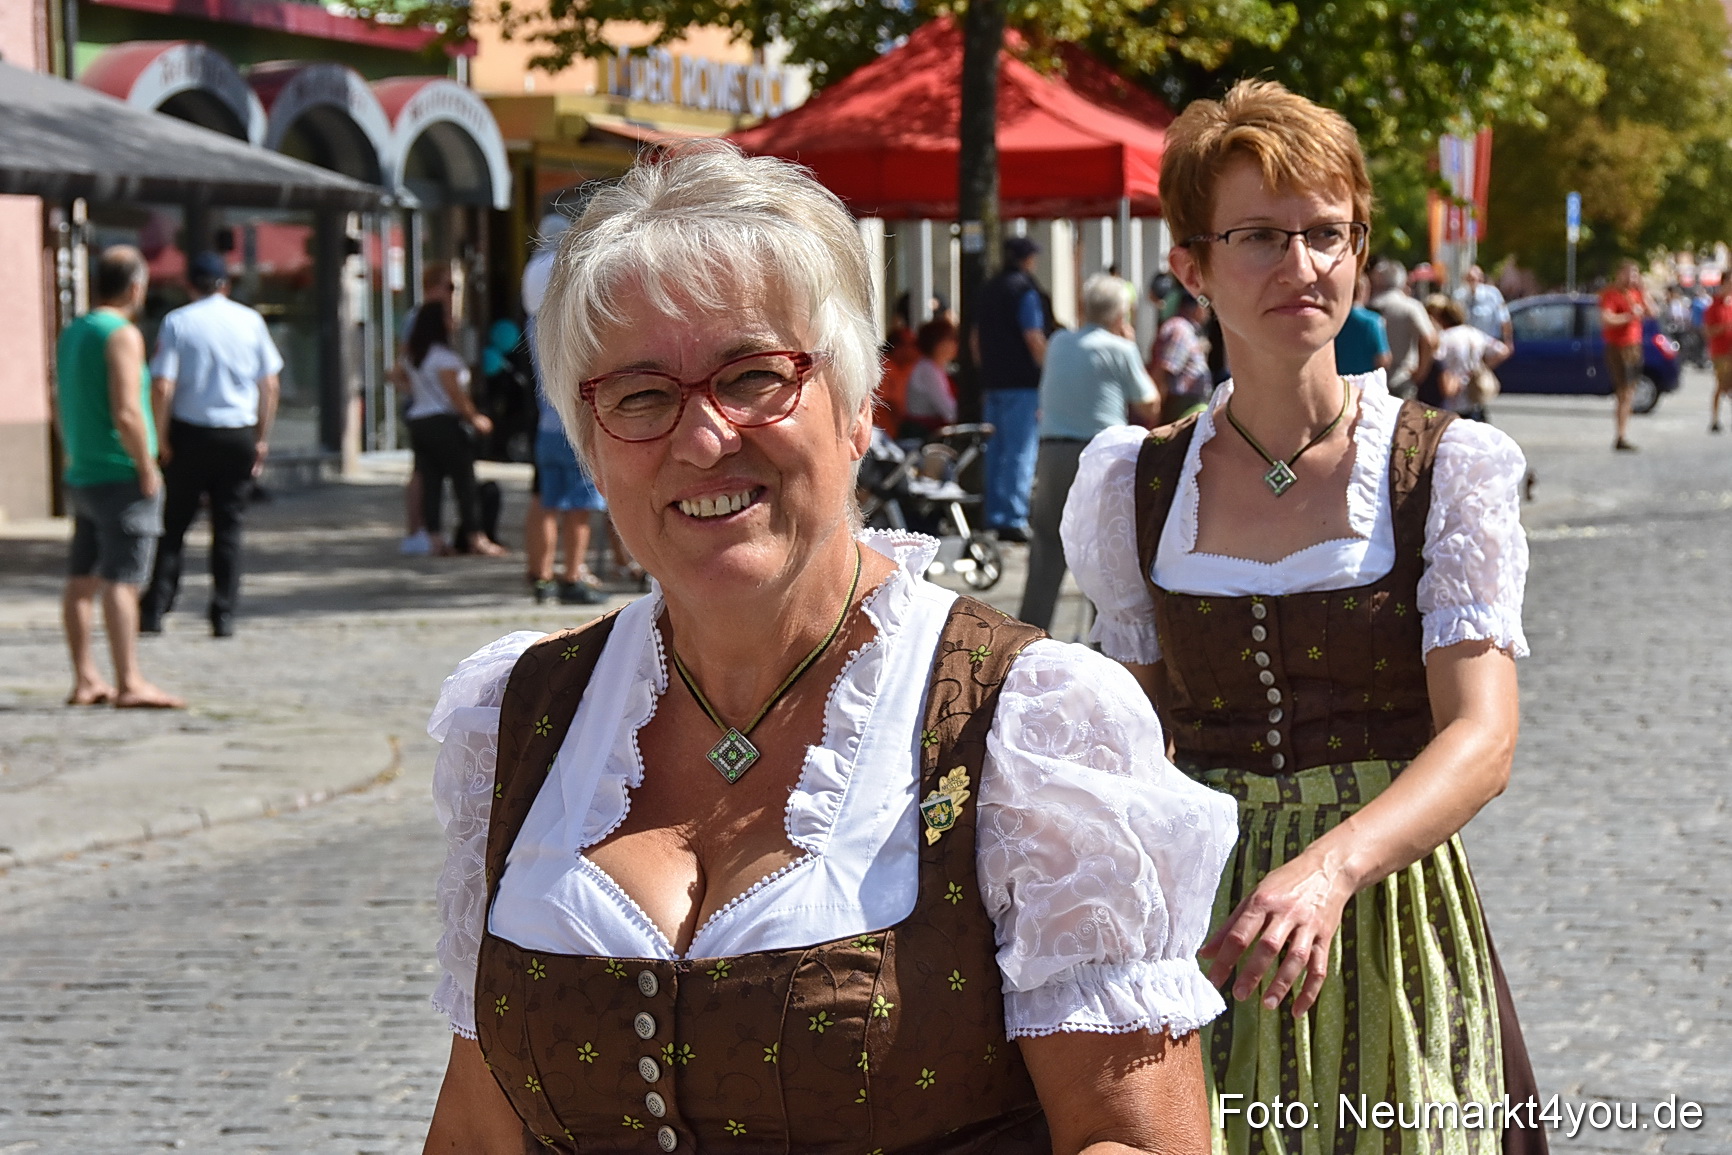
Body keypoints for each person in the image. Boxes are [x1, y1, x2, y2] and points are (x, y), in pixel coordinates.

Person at [420, 142, 1238, 1155]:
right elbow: (477, 1126)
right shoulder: (516, 717)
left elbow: (1132, 1137)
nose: (703, 438)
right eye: (638, 395)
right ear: (589, 450)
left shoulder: (1030, 723)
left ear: (857, 411)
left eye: (754, 376)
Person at [1061, 80, 1547, 1155]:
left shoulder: (1442, 467)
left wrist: (1329, 868)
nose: (1303, 266)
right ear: (1191, 267)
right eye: (1260, 237)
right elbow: (1132, 751)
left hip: (1386, 910)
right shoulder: (1132, 486)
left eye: (1327, 234)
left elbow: (1482, 735)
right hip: (1212, 935)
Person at [54, 246, 182, 709]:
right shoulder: (122, 334)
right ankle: (130, 680)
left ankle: (86, 677)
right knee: (123, 580)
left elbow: (58, 400)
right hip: (120, 469)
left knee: (81, 579)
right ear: (135, 286)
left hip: (83, 469)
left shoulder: (74, 331)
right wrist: (147, 465)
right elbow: (128, 409)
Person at [137, 252, 282, 638]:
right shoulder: (250, 321)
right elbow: (269, 383)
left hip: (190, 433)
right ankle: (224, 613)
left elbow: (163, 384)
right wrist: (261, 438)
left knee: (174, 526)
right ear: (226, 285)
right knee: (229, 526)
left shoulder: (177, 322)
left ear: (189, 285)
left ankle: (155, 609)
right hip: (236, 431)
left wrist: (160, 436)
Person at [1018, 273, 1157, 632]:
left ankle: (1030, 634)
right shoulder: (1119, 349)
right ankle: (1107, 639)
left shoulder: (1061, 342)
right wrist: (1129, 346)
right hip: (1100, 455)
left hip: (1053, 453)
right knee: (1107, 550)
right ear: (1119, 315)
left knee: (1047, 545)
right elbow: (1149, 403)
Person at [400, 301, 505, 558]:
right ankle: (475, 536)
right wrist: (474, 418)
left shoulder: (414, 355)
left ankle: (434, 537)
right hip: (443, 423)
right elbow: (455, 394)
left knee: (431, 481)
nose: (453, 322)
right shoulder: (443, 357)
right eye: (449, 316)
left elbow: (395, 375)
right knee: (464, 481)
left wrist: (415, 392)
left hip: (419, 420)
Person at [973, 235, 1048, 543]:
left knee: (996, 451)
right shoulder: (1026, 291)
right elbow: (1033, 336)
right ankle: (1013, 518)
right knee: (1020, 451)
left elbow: (975, 340)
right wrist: (1047, 371)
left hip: (994, 383)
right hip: (1023, 383)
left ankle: (994, 514)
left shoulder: (988, 290)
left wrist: (986, 372)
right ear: (1028, 259)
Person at [399, 265, 455, 556]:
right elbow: (401, 363)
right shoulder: (420, 318)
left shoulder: (439, 317)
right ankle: (417, 528)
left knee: (426, 471)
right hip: (428, 410)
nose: (451, 294)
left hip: (427, 407)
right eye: (449, 287)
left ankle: (425, 530)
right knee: (423, 473)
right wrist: (417, 389)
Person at [1427, 295, 1510, 422]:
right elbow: (1502, 350)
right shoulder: (1474, 333)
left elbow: (1437, 360)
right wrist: (1484, 365)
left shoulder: (1445, 337)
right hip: (1473, 392)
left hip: (1453, 395)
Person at [1599, 260, 1650, 452]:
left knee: (1630, 392)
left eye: (1635, 274)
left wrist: (1644, 292)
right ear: (1620, 274)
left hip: (1634, 346)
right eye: (1629, 273)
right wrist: (1630, 316)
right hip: (1618, 347)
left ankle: (1623, 434)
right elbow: (1606, 319)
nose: (1632, 278)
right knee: (1624, 392)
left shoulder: (1636, 294)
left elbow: (1652, 312)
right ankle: (1620, 435)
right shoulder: (1611, 294)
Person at [1368, 258, 1437, 399]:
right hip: (1401, 378)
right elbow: (1430, 340)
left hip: (1369, 381)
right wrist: (1421, 372)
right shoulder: (1410, 307)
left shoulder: (1366, 307)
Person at [1148, 290, 1213, 424]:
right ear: (1197, 307)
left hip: (1188, 402)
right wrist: (1155, 413)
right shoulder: (1180, 329)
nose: (1208, 312)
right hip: (1180, 404)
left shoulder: (1187, 329)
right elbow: (1163, 370)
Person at [901, 315, 959, 436]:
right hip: (923, 435)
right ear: (938, 343)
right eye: (951, 339)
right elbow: (949, 411)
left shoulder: (937, 368)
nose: (955, 344)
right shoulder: (927, 370)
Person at [1331, 273, 1391, 376]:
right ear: (1364, 290)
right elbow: (1383, 359)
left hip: (1339, 380)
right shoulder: (1373, 321)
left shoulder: (1334, 319)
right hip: (1365, 382)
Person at [1454, 264, 1513, 346]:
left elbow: (1504, 319)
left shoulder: (1492, 295)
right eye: (1469, 279)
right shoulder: (1458, 297)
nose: (1471, 282)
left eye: (1474, 279)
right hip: (1467, 344)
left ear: (1481, 279)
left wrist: (1508, 342)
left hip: (1489, 342)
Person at [1705, 281, 1732, 432]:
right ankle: (1715, 419)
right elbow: (1708, 331)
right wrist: (1725, 327)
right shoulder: (1713, 307)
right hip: (1720, 352)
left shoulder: (1730, 304)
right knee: (1722, 385)